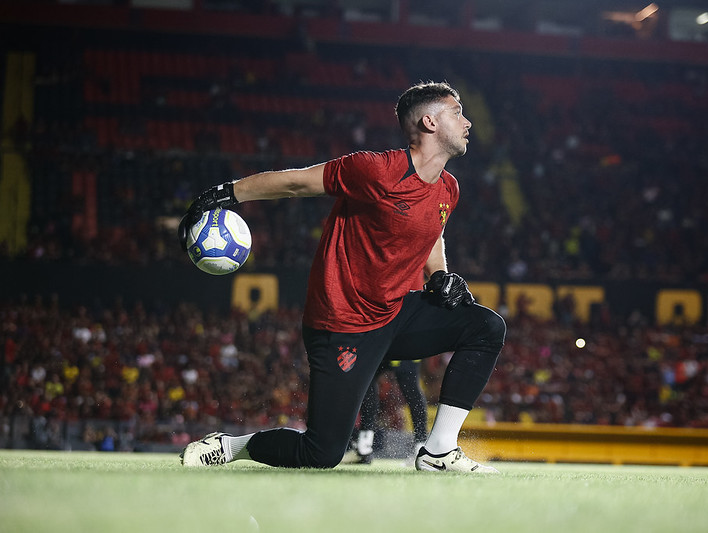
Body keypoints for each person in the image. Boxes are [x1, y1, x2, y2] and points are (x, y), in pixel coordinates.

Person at [178, 81, 506, 473]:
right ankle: (235, 446)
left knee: (485, 326)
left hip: (397, 312)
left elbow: (432, 233)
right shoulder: (376, 170)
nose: (468, 122)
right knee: (321, 454)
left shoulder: (448, 188)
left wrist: (439, 276)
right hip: (342, 324)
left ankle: (437, 450)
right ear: (429, 121)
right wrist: (226, 193)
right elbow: (297, 182)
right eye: (457, 112)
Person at [341, 359, 428, 465]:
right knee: (367, 379)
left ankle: (421, 448)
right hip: (380, 344)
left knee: (409, 384)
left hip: (403, 344)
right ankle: (363, 448)